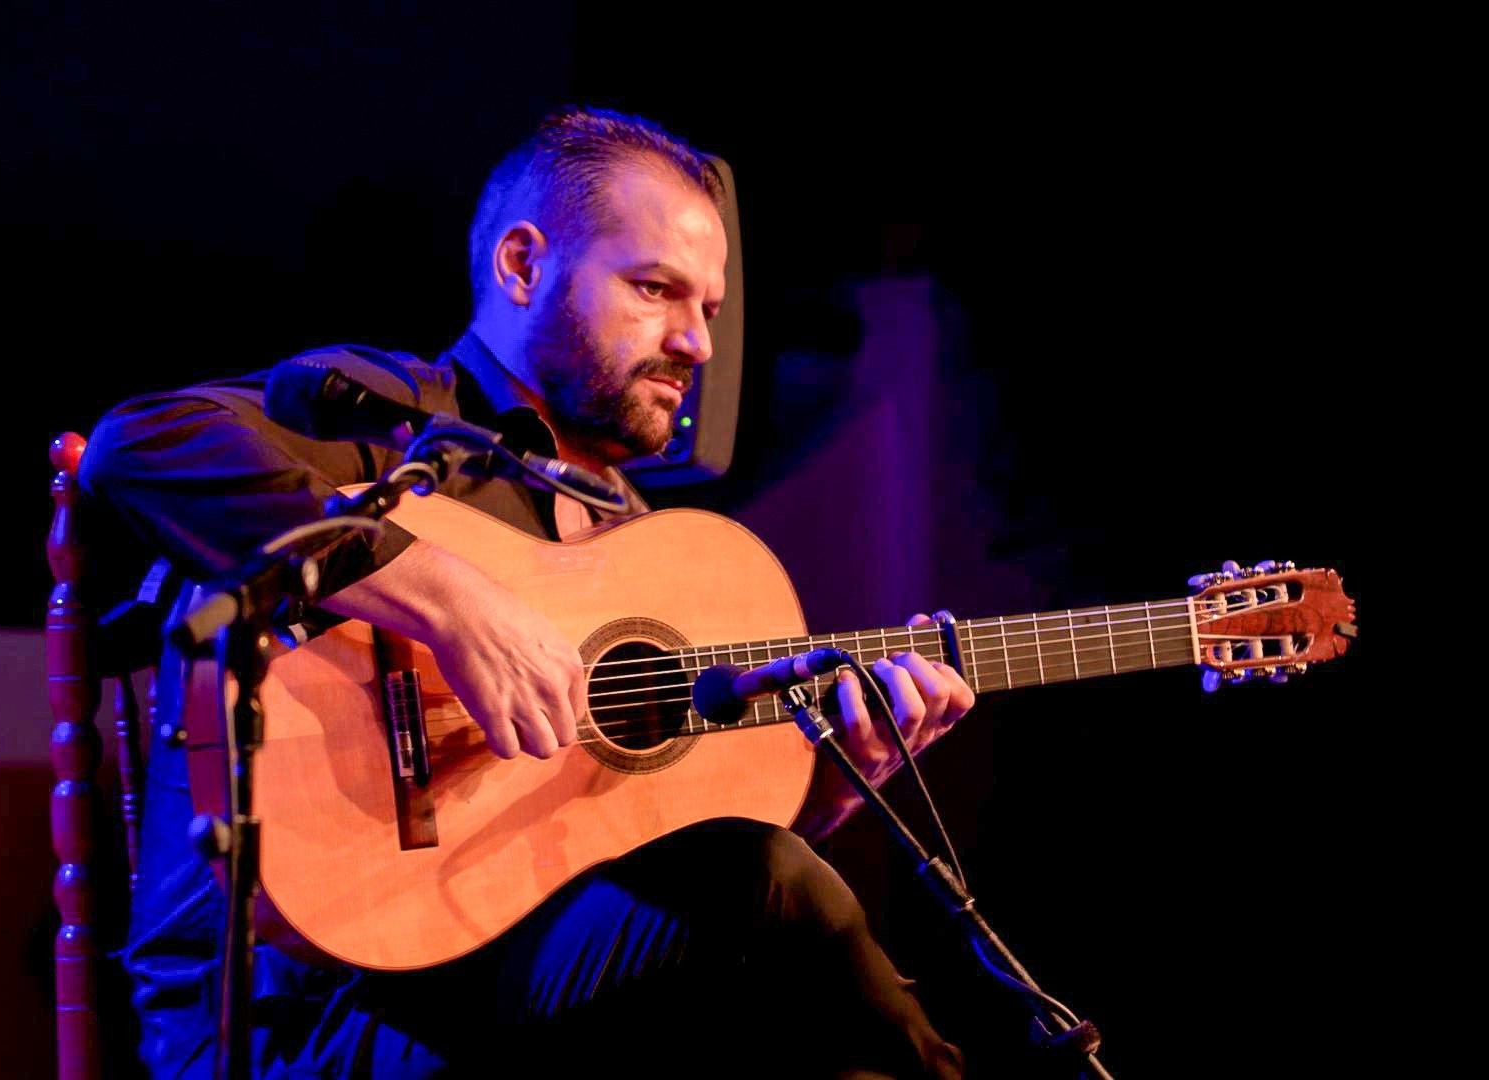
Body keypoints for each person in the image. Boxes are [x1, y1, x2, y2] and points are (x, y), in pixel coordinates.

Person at [80, 106, 974, 1079]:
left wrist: (837, 785)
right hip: (305, 1015)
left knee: (762, 949)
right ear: (521, 266)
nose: (698, 345)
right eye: (653, 289)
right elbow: (142, 443)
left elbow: (636, 860)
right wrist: (450, 600)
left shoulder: (639, 539)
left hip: (509, 975)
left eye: (707, 310)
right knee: (765, 907)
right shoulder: (396, 424)